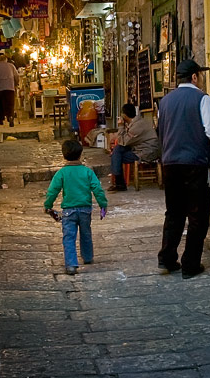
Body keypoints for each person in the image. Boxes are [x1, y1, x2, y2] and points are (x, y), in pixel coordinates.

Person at [157, 59, 210, 279]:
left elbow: (162, 131)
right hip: (195, 162)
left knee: (174, 212)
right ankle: (190, 263)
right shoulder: (201, 98)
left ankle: (167, 258)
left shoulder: (164, 102)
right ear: (194, 77)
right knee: (197, 214)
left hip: (170, 163)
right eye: (200, 75)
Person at [44, 140, 108, 275]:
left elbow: (52, 191)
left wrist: (48, 206)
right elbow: (97, 189)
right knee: (86, 234)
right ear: (80, 154)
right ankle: (88, 257)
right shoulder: (87, 172)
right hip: (85, 209)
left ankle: (71, 264)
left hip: (68, 211)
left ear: (64, 155)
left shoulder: (61, 173)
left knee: (69, 237)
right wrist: (103, 204)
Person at [108, 103, 161, 192]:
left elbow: (123, 142)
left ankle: (119, 183)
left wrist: (121, 126)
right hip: (140, 149)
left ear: (124, 115)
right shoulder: (137, 122)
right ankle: (119, 182)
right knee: (117, 152)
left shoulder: (138, 125)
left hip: (147, 152)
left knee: (117, 155)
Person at [0, 53, 20, 127]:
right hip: (10, 88)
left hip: (0, 89)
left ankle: (1, 119)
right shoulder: (11, 66)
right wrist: (16, 84)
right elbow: (16, 76)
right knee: (10, 104)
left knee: (0, 104)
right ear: (6, 60)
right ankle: (10, 116)